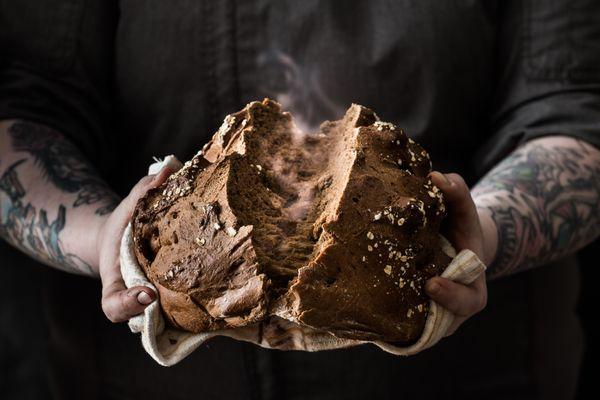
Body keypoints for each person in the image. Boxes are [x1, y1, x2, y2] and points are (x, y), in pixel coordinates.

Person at [1, 1, 598, 399]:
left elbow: (572, 110)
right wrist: (104, 234)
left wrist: (478, 235)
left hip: (466, 375)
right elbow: (24, 110)